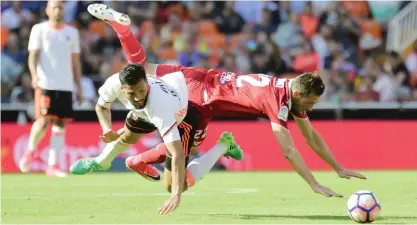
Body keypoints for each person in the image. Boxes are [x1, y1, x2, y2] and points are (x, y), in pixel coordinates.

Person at [82, 3, 366, 198]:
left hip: (197, 77)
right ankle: (221, 146)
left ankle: (123, 31)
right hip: (197, 104)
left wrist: (337, 167)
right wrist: (314, 183)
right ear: (301, 93)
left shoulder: (288, 91)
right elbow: (290, 150)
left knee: (141, 69)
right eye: (311, 103)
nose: (311, 109)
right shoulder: (277, 99)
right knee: (175, 183)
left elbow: (312, 137)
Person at [69, 62, 243, 214]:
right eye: (131, 94)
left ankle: (223, 144)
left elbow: (177, 154)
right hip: (149, 111)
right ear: (122, 89)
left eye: (141, 91)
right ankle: (102, 162)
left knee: (175, 183)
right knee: (128, 136)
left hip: (185, 115)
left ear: (147, 81)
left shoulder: (161, 107)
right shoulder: (114, 83)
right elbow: (101, 106)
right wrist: (107, 129)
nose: (138, 97)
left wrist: (176, 195)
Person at [19, 0, 83, 177]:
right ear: (47, 10)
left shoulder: (72, 32)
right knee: (43, 121)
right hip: (46, 83)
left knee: (61, 123)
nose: (57, 10)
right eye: (54, 7)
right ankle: (30, 152)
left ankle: (53, 165)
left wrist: (78, 86)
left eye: (60, 7)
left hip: (66, 85)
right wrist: (34, 75)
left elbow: (75, 62)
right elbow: (33, 56)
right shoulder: (39, 30)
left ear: (64, 10)